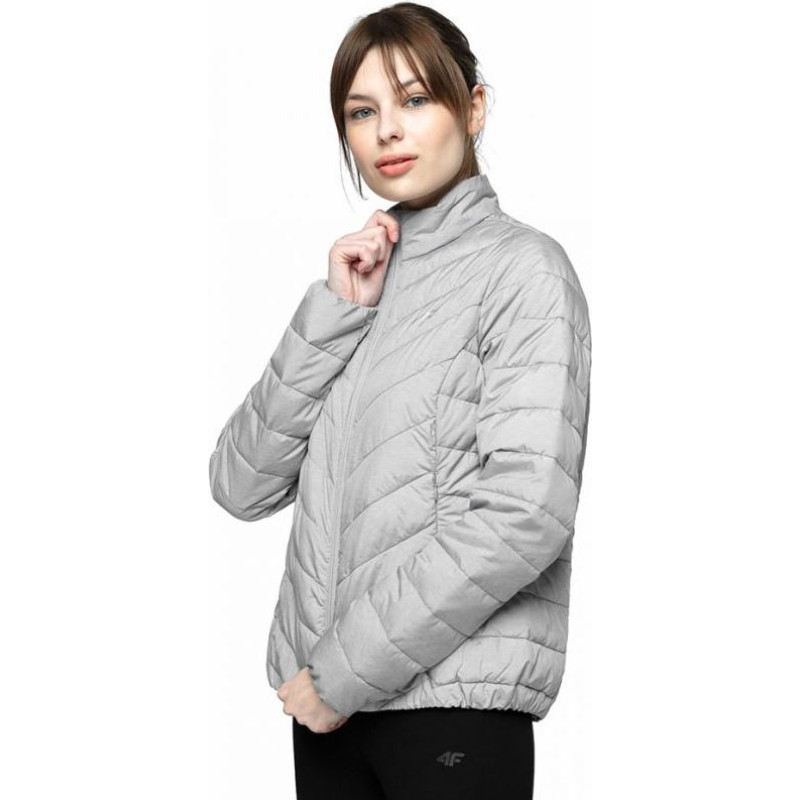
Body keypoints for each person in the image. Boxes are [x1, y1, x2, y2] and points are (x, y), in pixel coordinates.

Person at [208, 3, 592, 797]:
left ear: (473, 107)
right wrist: (333, 313)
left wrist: (341, 674)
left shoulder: (523, 271)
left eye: (415, 99)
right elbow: (240, 486)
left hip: (449, 709)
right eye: (361, 112)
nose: (388, 130)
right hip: (328, 720)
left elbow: (525, 514)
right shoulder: (361, 283)